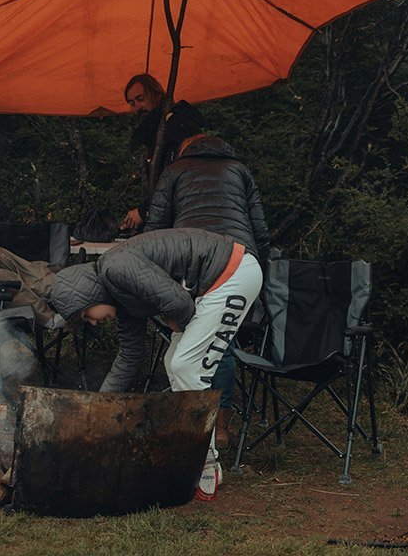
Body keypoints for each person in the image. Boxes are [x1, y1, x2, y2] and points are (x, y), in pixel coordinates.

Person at [48, 228, 263, 501]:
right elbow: (130, 356)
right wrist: (97, 410)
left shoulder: (116, 269)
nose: (91, 322)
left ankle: (206, 464)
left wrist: (175, 321)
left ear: (87, 295)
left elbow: (179, 302)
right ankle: (193, 455)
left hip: (233, 272)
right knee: (173, 362)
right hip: (216, 282)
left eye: (84, 315)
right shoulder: (121, 297)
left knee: (185, 365)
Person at [144, 134, 271, 448]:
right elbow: (260, 227)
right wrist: (260, 271)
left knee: (188, 341)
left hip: (194, 262)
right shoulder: (239, 169)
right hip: (240, 260)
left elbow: (156, 226)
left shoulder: (174, 169)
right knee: (221, 345)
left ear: (185, 150)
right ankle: (219, 427)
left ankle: (190, 428)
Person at [119, 74, 205, 233]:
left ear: (157, 95)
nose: (137, 107)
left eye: (141, 98)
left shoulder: (176, 126)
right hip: (168, 221)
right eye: (132, 103)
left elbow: (175, 180)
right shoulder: (153, 132)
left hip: (183, 222)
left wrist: (144, 211)